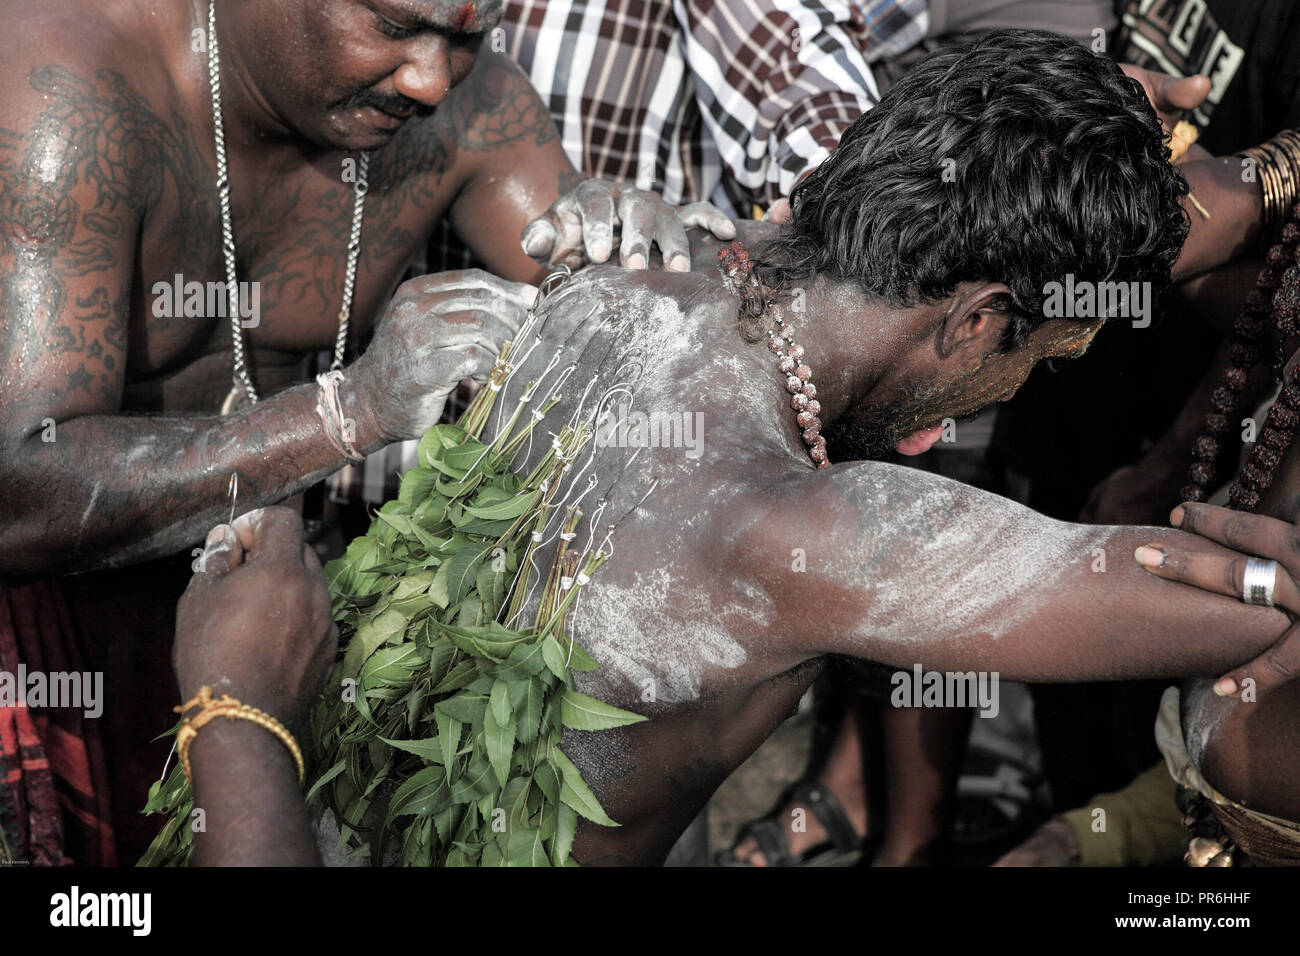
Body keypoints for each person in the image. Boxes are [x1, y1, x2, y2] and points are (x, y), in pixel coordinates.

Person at [350, 30, 1297, 863]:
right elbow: (1260, 609)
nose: (1010, 390)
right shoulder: (810, 530)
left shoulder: (630, 270)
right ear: (978, 324)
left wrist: (1275, 170)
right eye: (1042, 357)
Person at [0, 0, 734, 866]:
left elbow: (628, 324)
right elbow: (16, 493)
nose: (429, 77)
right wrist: (347, 411)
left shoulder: (471, 107)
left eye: (464, 37)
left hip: (263, 616)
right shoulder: (66, 85)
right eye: (394, 27)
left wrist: (656, 251)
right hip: (37, 643)